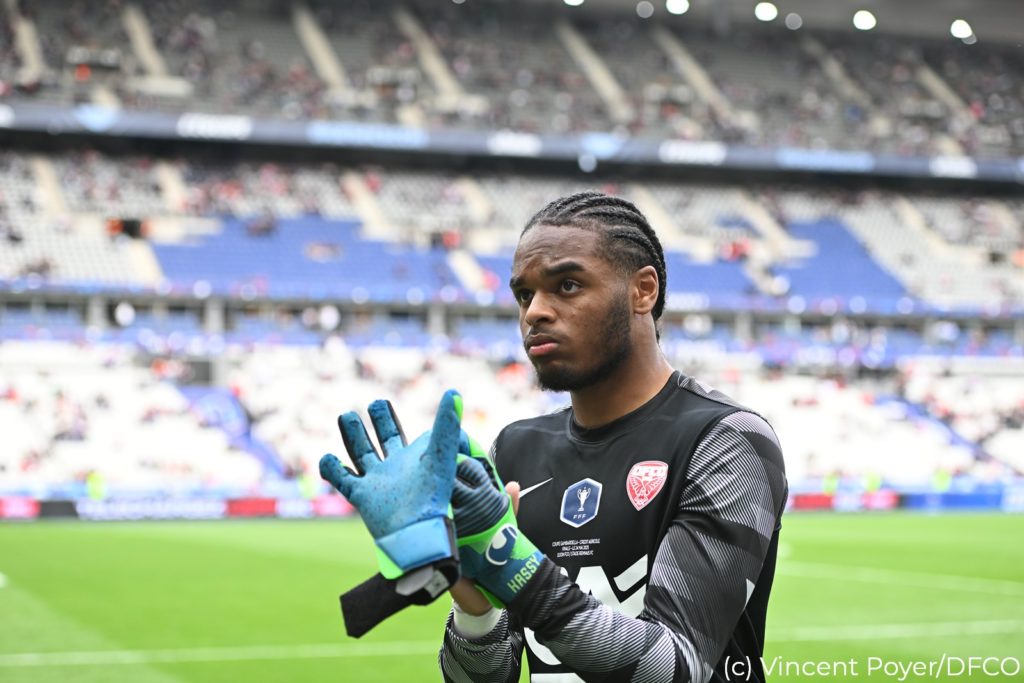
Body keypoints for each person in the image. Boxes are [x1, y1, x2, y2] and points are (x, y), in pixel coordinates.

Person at [438, 191, 789, 682]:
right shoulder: (513, 451)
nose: (534, 312)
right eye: (524, 295)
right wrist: (475, 612)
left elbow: (676, 668)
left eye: (567, 285)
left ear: (643, 291)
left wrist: (519, 575)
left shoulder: (725, 439)